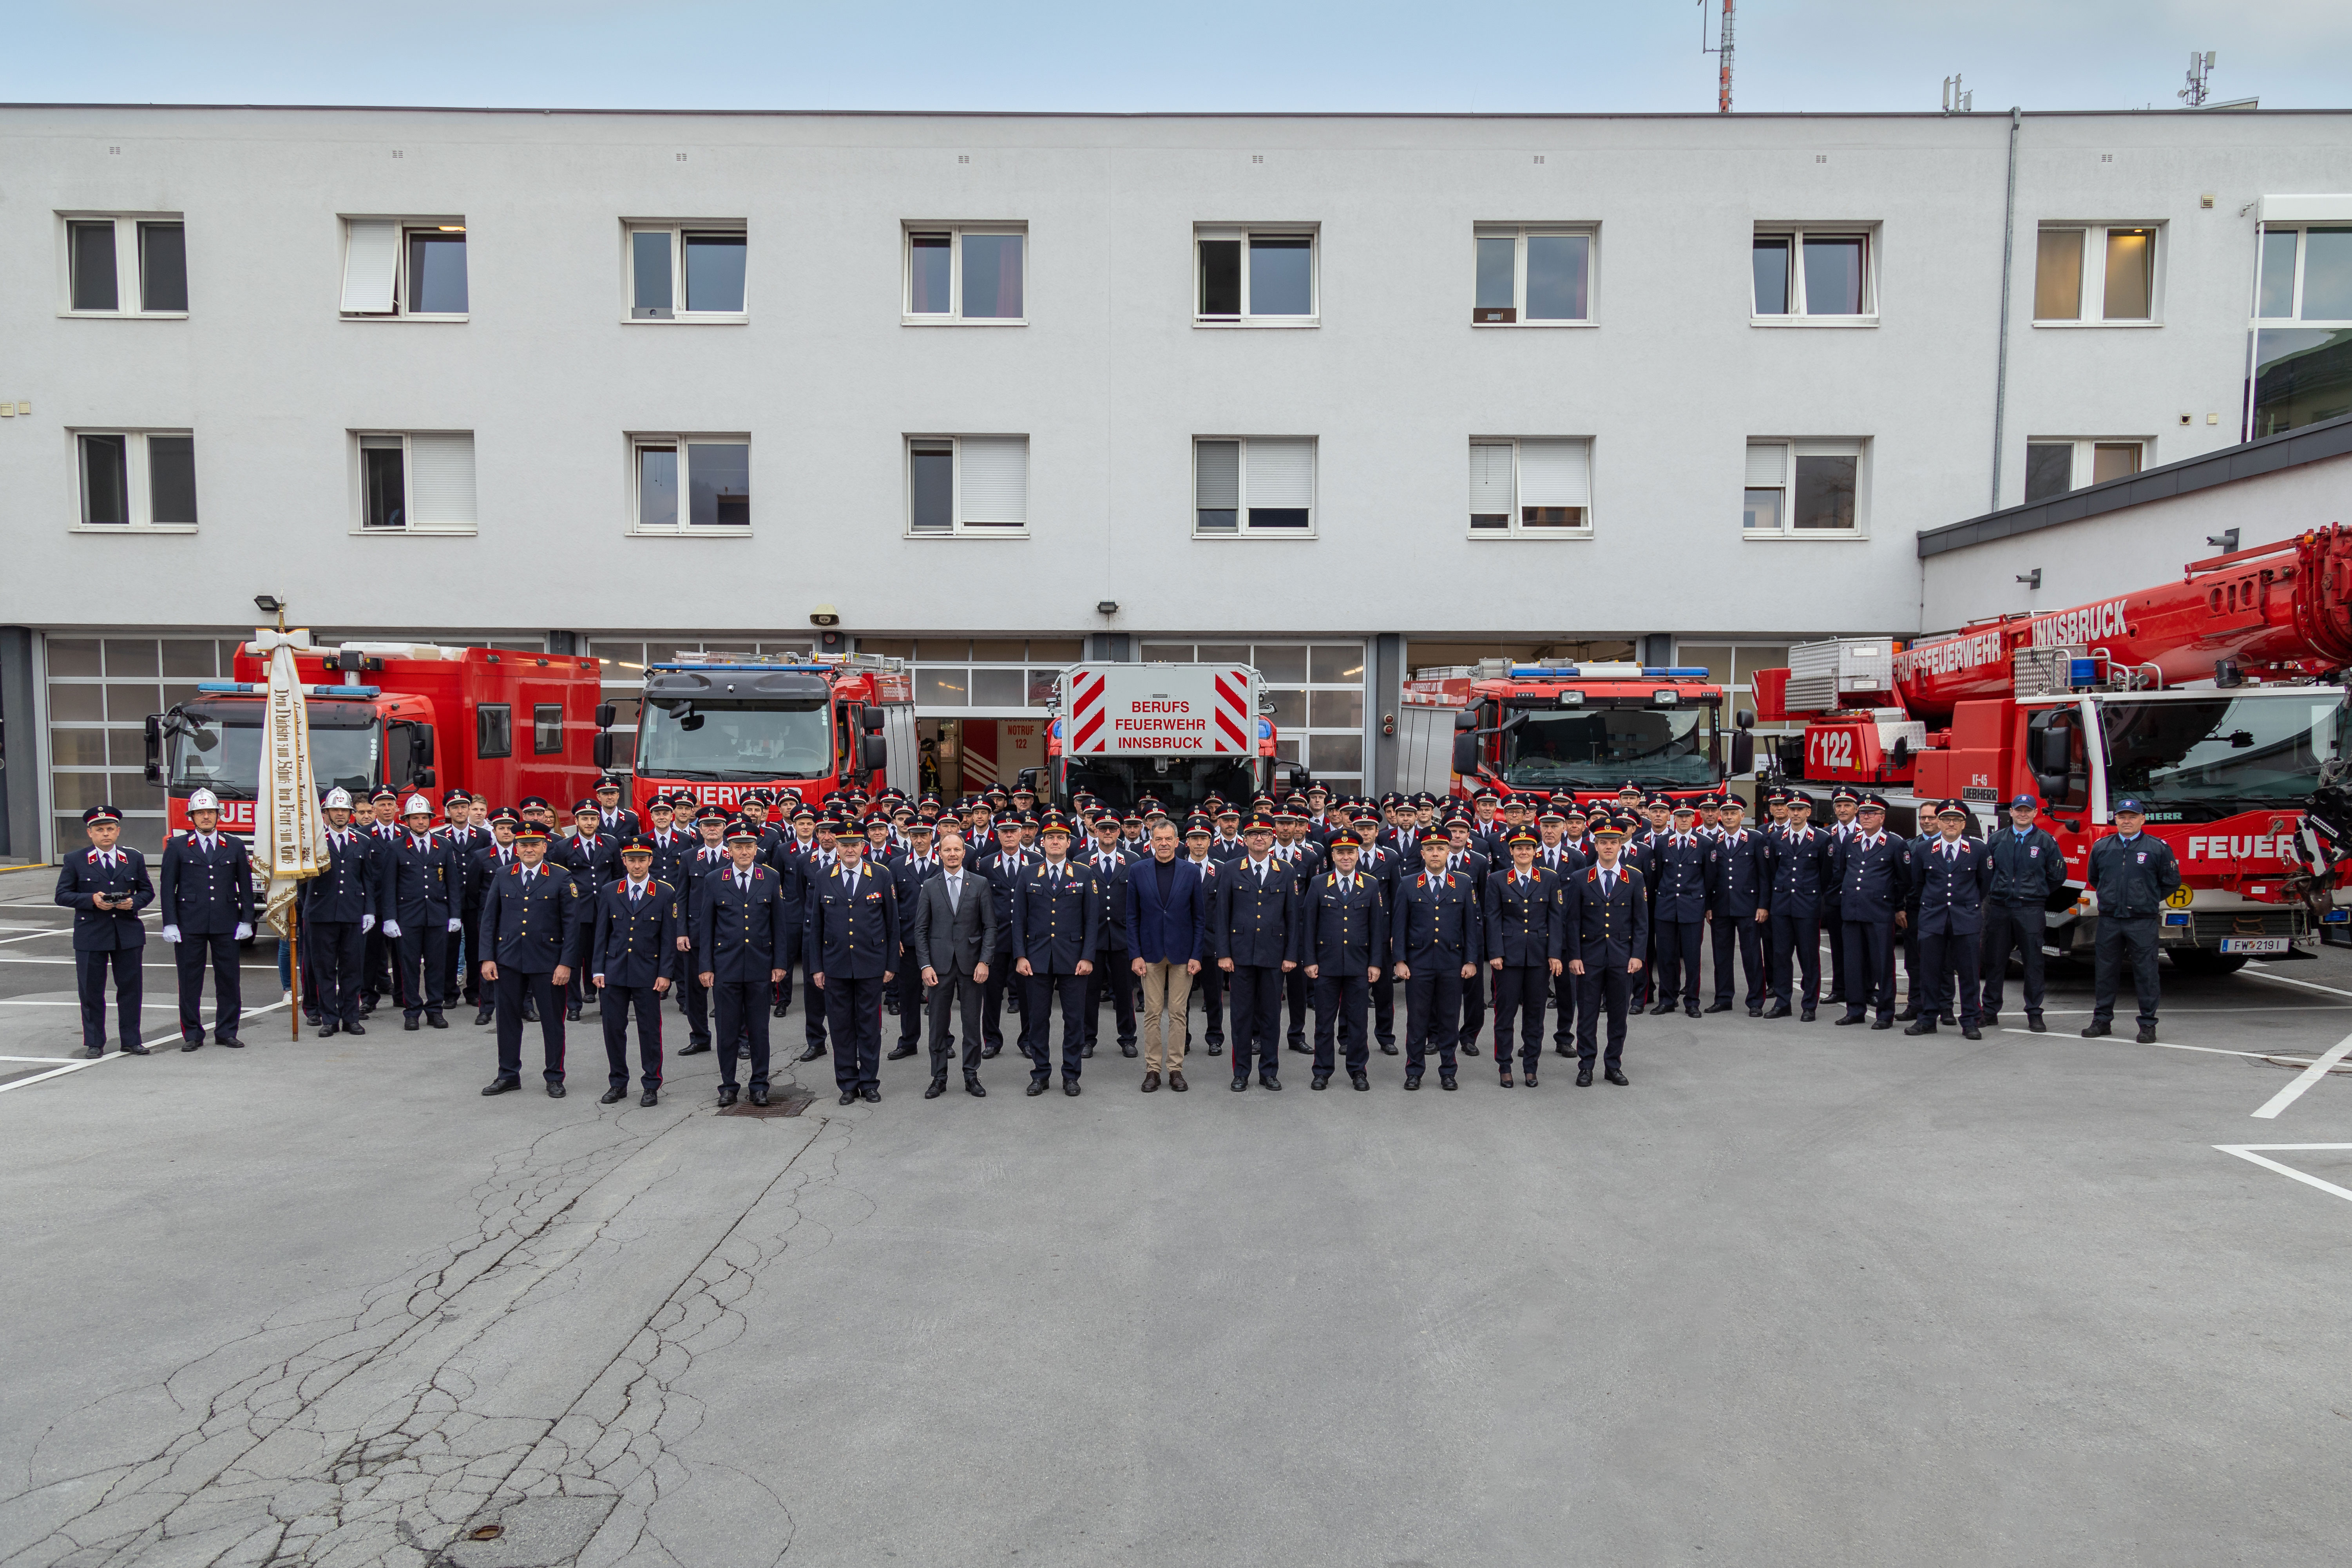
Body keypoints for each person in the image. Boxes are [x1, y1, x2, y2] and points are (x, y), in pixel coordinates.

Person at [478, 822, 586, 1097]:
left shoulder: (561, 877)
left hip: (548, 962)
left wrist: (566, 964)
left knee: (552, 1021)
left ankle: (554, 1076)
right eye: (524, 844)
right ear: (516, 848)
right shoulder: (503, 875)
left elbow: (572, 925)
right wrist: (487, 958)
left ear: (544, 847)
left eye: (535, 844)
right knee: (507, 1020)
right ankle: (508, 1074)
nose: (529, 849)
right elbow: (490, 920)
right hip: (509, 959)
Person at [806, 819, 898, 1104]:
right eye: (844, 845)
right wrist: (816, 967)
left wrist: (891, 965)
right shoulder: (824, 876)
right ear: (837, 847)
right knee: (841, 1027)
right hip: (835, 965)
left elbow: (892, 924)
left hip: (871, 963)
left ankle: (869, 1082)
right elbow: (815, 927)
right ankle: (847, 1084)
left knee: (869, 1026)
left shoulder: (881, 875)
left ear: (863, 846)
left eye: (854, 844)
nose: (849, 849)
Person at [1008, 811, 1099, 1097]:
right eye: (1050, 837)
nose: (1055, 842)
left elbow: (1091, 920)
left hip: (1073, 959)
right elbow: (1018, 921)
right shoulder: (1028, 874)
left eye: (1061, 837)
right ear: (1042, 842)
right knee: (1038, 1019)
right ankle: (1040, 1074)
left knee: (1074, 1020)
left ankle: (1071, 1075)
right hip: (1036, 958)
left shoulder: (1084, 874)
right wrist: (1020, 956)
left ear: (1069, 842)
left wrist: (1088, 957)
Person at [158, 786, 254, 1050]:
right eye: (200, 813)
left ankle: (227, 1031)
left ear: (218, 815)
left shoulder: (233, 845)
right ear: (192, 817)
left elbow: (245, 885)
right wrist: (170, 922)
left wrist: (247, 919)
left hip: (225, 922)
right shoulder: (178, 846)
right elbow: (168, 887)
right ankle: (192, 1034)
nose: (206, 817)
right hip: (190, 922)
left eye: (210, 812)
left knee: (229, 979)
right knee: (190, 980)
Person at [703, 819, 790, 1106]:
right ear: (729, 850)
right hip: (725, 966)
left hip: (760, 965)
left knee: (759, 1030)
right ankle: (728, 1085)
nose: (744, 851)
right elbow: (707, 927)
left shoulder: (770, 877)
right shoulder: (715, 880)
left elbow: (779, 924)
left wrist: (780, 963)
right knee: (727, 1031)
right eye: (738, 847)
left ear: (756, 849)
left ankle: (759, 1085)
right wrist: (706, 966)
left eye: (749, 846)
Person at [55, 804, 153, 1059]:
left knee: (131, 990)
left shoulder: (133, 858)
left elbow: (147, 891)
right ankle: (95, 1042)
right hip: (91, 933)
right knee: (91, 991)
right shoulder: (75, 860)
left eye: (110, 829)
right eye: (100, 830)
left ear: (118, 831)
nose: (105, 834)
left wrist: (134, 903)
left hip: (127, 932)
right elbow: (62, 895)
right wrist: (91, 899)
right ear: (90, 833)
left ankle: (132, 1040)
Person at [1213, 811, 1298, 1092]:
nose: (1258, 838)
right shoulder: (1231, 869)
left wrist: (1290, 955)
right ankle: (1241, 1073)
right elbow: (1222, 914)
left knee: (1271, 1015)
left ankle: (1269, 1071)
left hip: (1273, 955)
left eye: (1263, 834)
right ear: (1245, 839)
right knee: (1241, 1016)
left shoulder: (1285, 870)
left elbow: (1292, 917)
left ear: (1271, 837)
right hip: (1240, 956)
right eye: (1252, 834)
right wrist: (1223, 953)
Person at [589, 837, 678, 1106]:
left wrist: (665, 973)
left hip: (648, 972)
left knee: (649, 1031)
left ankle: (651, 1084)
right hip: (614, 971)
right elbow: (601, 934)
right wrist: (597, 970)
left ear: (650, 861)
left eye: (642, 860)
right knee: (613, 1029)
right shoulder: (609, 890)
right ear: (624, 861)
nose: (637, 865)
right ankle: (618, 1083)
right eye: (632, 860)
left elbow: (668, 938)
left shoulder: (664, 892)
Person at [2083, 798, 2180, 1043]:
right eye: (2123, 817)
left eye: (2132, 817)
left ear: (2142, 820)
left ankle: (2148, 1025)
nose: (2127, 821)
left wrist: (2147, 900)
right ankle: (2102, 1021)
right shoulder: (2102, 847)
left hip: (2142, 921)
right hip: (2110, 920)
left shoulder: (2157, 848)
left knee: (2147, 973)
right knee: (2105, 973)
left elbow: (2171, 881)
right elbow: (2095, 878)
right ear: (2116, 820)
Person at [912, 828, 999, 1098]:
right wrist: (925, 966)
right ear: (939, 853)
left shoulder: (980, 883)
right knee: (937, 1025)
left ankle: (971, 1075)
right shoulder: (929, 886)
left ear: (964, 853)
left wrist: (985, 961)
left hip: (972, 966)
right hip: (938, 967)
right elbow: (921, 929)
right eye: (947, 850)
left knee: (972, 1024)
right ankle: (938, 1077)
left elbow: (990, 927)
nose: (952, 854)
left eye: (957, 850)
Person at [1391, 833, 1481, 1091]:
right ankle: (1414, 1071)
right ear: (1422, 853)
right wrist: (1399, 961)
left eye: (1440, 849)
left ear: (1447, 853)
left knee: (1449, 1020)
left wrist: (1471, 960)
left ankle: (1448, 1072)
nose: (1434, 854)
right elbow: (1399, 926)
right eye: (1429, 849)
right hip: (1418, 964)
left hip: (1452, 963)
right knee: (1416, 1021)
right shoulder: (1408, 884)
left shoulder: (1462, 884)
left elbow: (1471, 927)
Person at [1301, 833, 1387, 1092]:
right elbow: (1309, 926)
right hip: (1326, 964)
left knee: (1358, 1023)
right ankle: (1322, 1071)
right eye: (1340, 853)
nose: (1346, 857)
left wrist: (1375, 963)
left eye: (1351, 852)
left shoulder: (1370, 885)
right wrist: (1310, 960)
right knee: (1324, 1023)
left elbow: (1376, 928)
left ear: (1358, 855)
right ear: (1332, 857)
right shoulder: (1318, 883)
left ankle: (1358, 1071)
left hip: (1359, 965)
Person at [1126, 817, 1206, 1093]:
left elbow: (1199, 918)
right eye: (1158, 839)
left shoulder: (1190, 872)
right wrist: (1135, 954)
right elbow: (1132, 917)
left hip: (1183, 954)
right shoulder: (1137, 870)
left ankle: (1175, 1070)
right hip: (1149, 953)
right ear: (1151, 842)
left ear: (1176, 842)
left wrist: (1197, 954)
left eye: (1168, 839)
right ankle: (1152, 1070)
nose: (1163, 844)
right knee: (1150, 1013)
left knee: (1177, 1014)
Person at [1483, 827, 1564, 1087]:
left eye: (1528, 848)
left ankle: (1531, 1067)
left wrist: (1554, 954)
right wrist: (1494, 952)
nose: (1523, 852)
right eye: (1518, 848)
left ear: (1535, 851)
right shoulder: (1497, 879)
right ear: (1511, 851)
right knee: (1504, 1016)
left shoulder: (1549, 879)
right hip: (1507, 959)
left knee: (1534, 1016)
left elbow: (1555, 918)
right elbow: (1492, 918)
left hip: (1539, 958)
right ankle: (1504, 1067)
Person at [1569, 815, 1647, 1086]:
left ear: (1620, 845)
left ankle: (1613, 1065)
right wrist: (1575, 956)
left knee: (1618, 1015)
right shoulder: (1580, 878)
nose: (1608, 847)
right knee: (1587, 1014)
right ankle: (1586, 1066)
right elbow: (1573, 920)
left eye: (1613, 843)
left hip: (1621, 958)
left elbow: (1641, 921)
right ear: (1595, 845)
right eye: (1603, 842)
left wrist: (1637, 955)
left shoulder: (1634, 878)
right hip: (1588, 957)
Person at [1981, 793, 2067, 1032]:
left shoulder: (2046, 842)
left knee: (2033, 963)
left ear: (2035, 813)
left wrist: (2036, 893)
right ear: (2011, 813)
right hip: (1999, 908)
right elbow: (1986, 873)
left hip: (2030, 910)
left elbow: (2058, 875)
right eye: (2018, 810)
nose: (2022, 814)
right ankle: (1989, 1012)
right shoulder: (1997, 840)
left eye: (2027, 810)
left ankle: (2034, 1014)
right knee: (1995, 962)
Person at [1907, 800, 1990, 1039]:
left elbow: (1984, 883)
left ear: (1964, 824)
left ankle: (1971, 1021)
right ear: (1939, 822)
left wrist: (1965, 905)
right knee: (1929, 971)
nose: (1950, 823)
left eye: (1956, 820)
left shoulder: (1978, 850)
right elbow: (1918, 883)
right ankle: (1928, 1019)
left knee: (1969, 973)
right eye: (1945, 819)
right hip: (1933, 918)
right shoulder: (1924, 850)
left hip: (1966, 919)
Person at [304, 788, 379, 1037]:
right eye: (334, 810)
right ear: (325, 814)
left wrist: (369, 911)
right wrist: (308, 910)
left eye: (344, 810)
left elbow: (368, 880)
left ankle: (351, 1017)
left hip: (352, 913)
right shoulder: (313, 841)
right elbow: (301, 882)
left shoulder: (363, 841)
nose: (339, 814)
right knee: (324, 969)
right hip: (321, 914)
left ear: (351, 813)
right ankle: (329, 1019)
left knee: (352, 968)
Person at [1831, 795, 1909, 1030]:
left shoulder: (1895, 844)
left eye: (1872, 813)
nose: (1866, 817)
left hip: (1879, 913)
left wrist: (1897, 907)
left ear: (1882, 817)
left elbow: (1904, 880)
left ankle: (1885, 1013)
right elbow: (1844, 872)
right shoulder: (1851, 841)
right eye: (1863, 813)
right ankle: (1855, 1010)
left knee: (1882, 965)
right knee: (1853, 964)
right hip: (1853, 912)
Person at [386, 793, 462, 1031]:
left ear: (431, 819)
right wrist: (389, 917)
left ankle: (435, 1010)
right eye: (416, 818)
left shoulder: (444, 845)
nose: (421, 822)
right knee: (408, 966)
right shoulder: (396, 847)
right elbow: (389, 885)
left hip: (437, 915)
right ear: (407, 820)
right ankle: (412, 1012)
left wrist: (455, 914)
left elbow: (453, 883)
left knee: (437, 965)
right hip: (408, 917)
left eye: (425, 818)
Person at [1761, 793, 1834, 1020]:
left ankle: (1809, 1005)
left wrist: (1812, 897)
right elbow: (1773, 871)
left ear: (1808, 812)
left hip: (1807, 906)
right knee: (1781, 955)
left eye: (1800, 809)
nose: (1795, 813)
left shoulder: (1821, 839)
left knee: (1809, 957)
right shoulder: (1776, 838)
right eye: (1791, 809)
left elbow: (1826, 874)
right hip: (1782, 906)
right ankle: (1783, 1003)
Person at [1703, 796, 1769, 1017]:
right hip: (1721, 907)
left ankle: (1755, 1001)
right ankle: (1723, 998)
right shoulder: (1713, 843)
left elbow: (1764, 876)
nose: (1730, 817)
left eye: (1735, 813)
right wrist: (1709, 906)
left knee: (1751, 955)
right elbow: (1709, 878)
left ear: (1743, 816)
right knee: (1721, 956)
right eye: (1726, 813)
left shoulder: (1756, 840)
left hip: (1748, 907)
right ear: (1720, 816)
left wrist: (1763, 905)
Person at [1647, 802, 1713, 1018]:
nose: (1684, 820)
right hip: (1666, 906)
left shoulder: (1704, 844)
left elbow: (1710, 878)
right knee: (1667, 957)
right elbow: (1657, 876)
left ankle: (1692, 1001)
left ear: (1694, 819)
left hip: (1692, 906)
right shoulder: (1662, 843)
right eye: (1680, 816)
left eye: (1688, 816)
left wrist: (1707, 906)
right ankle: (1667, 999)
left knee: (1693, 958)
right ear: (1673, 819)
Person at [1083, 813, 1140, 1058]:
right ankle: (1087, 1039)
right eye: (1103, 828)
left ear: (1120, 832)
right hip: (1092, 938)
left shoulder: (1133, 860)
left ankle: (1127, 1038)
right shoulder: (1082, 861)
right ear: (1096, 831)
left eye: (1112, 829)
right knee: (1089, 992)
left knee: (1125, 991)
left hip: (1123, 936)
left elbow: (1139, 902)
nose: (1107, 833)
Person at [886, 821, 944, 1061]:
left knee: (941, 995)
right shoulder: (897, 865)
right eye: (914, 835)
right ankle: (909, 1041)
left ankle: (944, 1040)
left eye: (923, 835)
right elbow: (891, 906)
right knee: (908, 995)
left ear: (932, 836)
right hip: (908, 941)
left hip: (940, 939)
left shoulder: (944, 863)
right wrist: (895, 937)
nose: (919, 840)